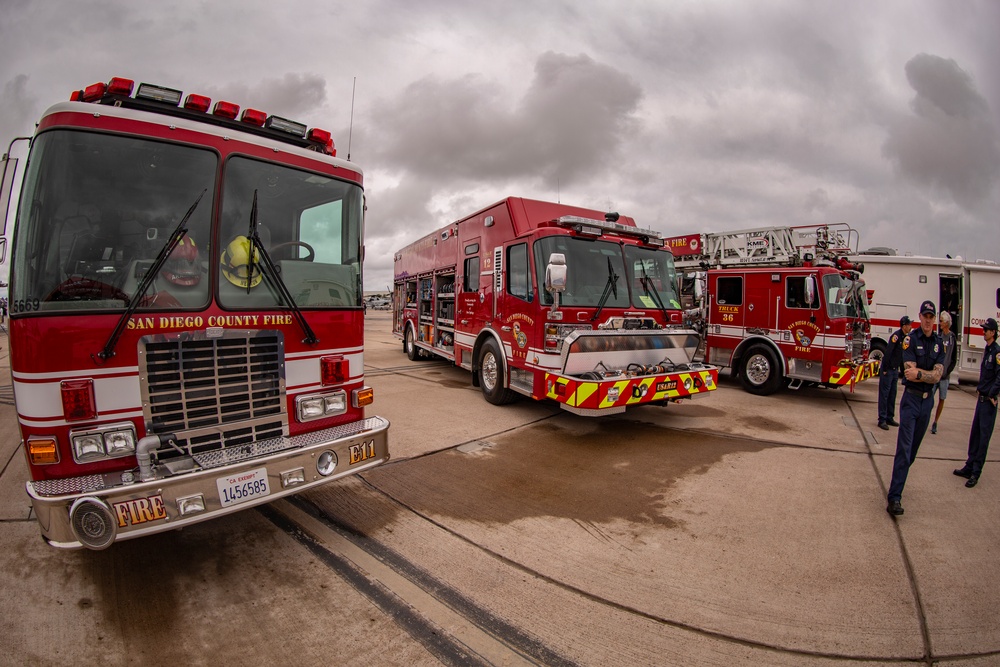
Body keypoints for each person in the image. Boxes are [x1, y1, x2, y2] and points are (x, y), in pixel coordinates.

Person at [886, 301, 945, 516]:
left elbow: (938, 374)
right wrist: (925, 375)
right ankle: (894, 498)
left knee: (912, 452)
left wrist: (921, 374)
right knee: (904, 447)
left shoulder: (939, 344)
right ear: (919, 317)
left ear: (934, 318)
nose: (928, 320)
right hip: (911, 400)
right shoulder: (910, 340)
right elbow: (909, 371)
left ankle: (898, 481)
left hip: (927, 403)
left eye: (932, 316)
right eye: (925, 316)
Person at [953, 317, 1000, 488]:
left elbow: (999, 377)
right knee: (975, 435)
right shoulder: (987, 350)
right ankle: (969, 466)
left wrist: (992, 394)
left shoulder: (997, 352)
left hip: (988, 402)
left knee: (983, 440)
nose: (983, 331)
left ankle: (975, 472)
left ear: (993, 332)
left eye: (986, 329)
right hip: (981, 401)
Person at [878, 316, 912, 430]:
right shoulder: (896, 337)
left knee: (892, 394)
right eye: (909, 325)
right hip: (888, 370)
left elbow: (901, 357)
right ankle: (882, 419)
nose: (910, 327)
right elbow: (888, 353)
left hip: (895, 370)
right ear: (904, 326)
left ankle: (889, 417)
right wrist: (885, 369)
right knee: (884, 395)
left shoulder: (905, 338)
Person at [931, 311, 956, 434]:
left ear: (946, 323)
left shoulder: (952, 338)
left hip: (945, 376)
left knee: (942, 398)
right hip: (936, 375)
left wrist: (947, 371)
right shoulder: (938, 337)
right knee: (929, 396)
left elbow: (954, 358)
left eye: (941, 321)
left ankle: (935, 421)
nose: (939, 323)